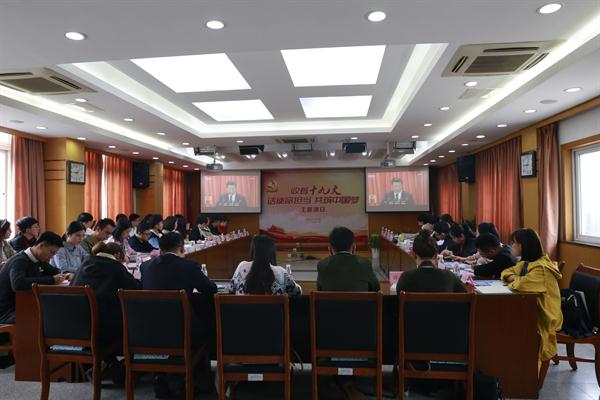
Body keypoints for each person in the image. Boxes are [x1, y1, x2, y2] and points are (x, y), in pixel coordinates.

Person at [500, 228, 562, 372]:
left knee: (507, 326)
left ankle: (524, 373)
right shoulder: (527, 263)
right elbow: (506, 272)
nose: (511, 245)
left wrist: (515, 279)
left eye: (514, 243)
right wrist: (515, 278)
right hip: (531, 309)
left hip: (544, 316)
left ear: (523, 245)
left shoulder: (541, 268)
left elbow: (521, 285)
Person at [72, 242, 141, 346]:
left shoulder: (85, 262)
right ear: (117, 255)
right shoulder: (115, 266)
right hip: (104, 325)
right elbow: (135, 288)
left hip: (77, 320)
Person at [0, 232, 70, 324]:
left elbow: (54, 271)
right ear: (41, 246)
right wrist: (52, 280)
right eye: (51, 252)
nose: (52, 257)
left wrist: (65, 275)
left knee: (59, 309)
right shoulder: (19, 261)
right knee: (51, 315)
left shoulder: (38, 259)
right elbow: (18, 284)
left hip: (24, 305)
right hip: (7, 312)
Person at [396, 230, 466, 293]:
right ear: (436, 255)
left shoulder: (406, 277)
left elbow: (399, 295)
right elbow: (464, 293)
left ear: (413, 254)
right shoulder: (449, 277)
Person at [230, 235, 302, 295]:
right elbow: (297, 292)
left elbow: (231, 290)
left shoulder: (242, 267)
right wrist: (289, 277)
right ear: (271, 251)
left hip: (243, 308)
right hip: (273, 309)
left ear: (253, 250)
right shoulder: (281, 272)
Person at [317, 227, 380, 292]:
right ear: (354, 248)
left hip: (330, 299)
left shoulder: (322, 265)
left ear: (330, 249)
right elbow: (376, 288)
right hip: (359, 299)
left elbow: (319, 290)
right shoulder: (365, 263)